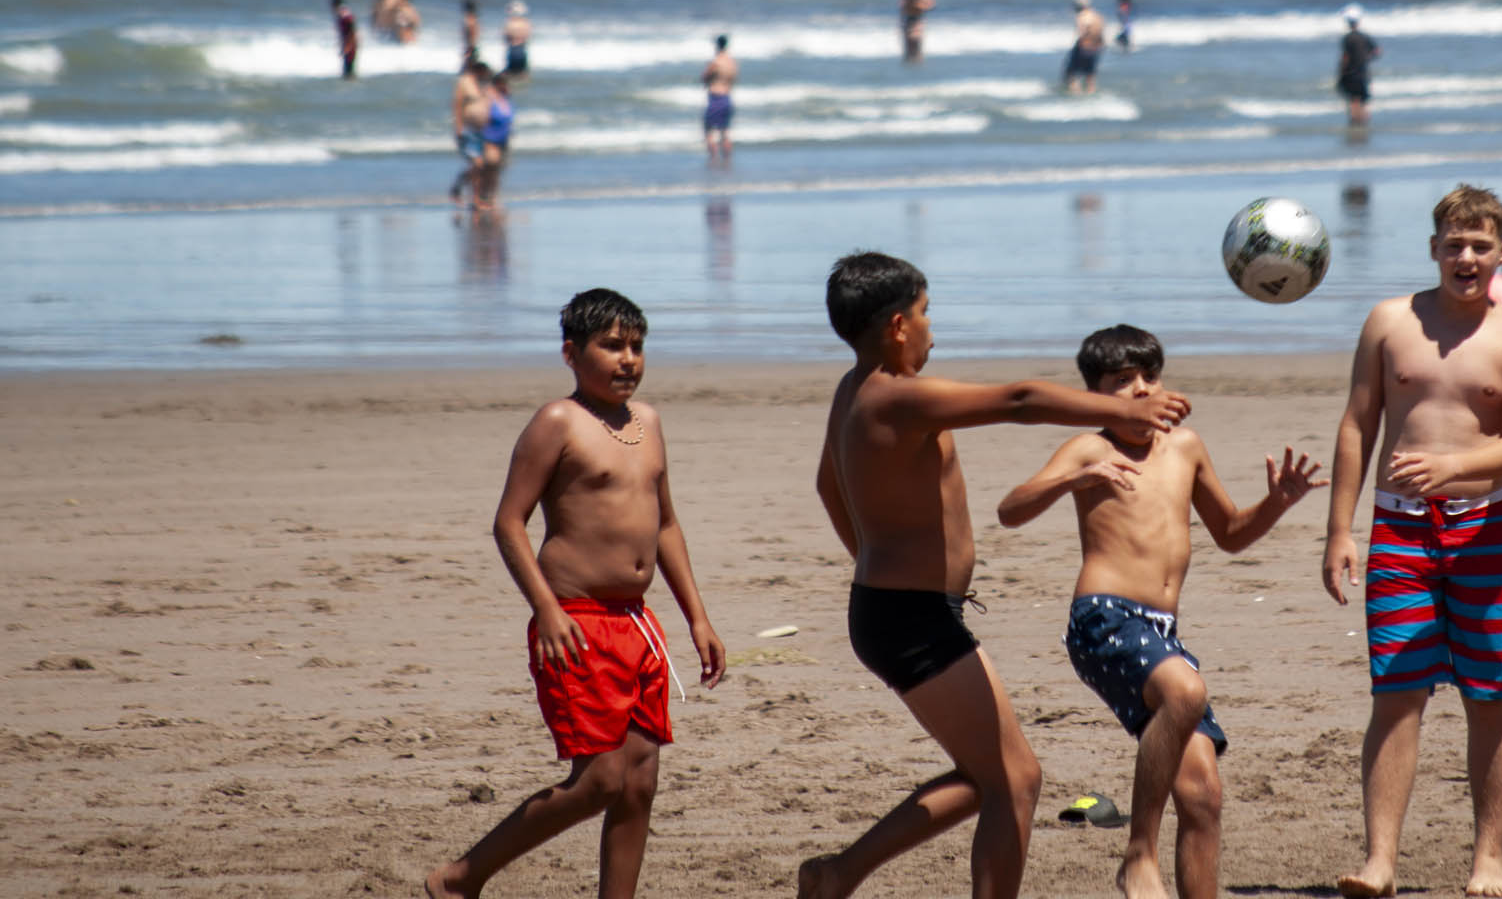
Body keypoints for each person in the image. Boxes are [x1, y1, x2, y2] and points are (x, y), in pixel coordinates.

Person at [801, 253, 1192, 899]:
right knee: (1016, 781)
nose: (933, 330)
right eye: (926, 315)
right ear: (898, 325)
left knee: (993, 776)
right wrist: (1119, 413)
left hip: (895, 607)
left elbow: (826, 484)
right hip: (910, 616)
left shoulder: (854, 389)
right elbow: (1019, 399)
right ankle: (838, 874)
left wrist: (875, 558)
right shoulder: (900, 396)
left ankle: (836, 875)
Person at [997, 325, 1323, 899]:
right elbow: (1010, 509)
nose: (1142, 389)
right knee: (1187, 694)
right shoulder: (1089, 448)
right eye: (1122, 382)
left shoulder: (1187, 447)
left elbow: (1230, 534)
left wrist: (1276, 502)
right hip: (1102, 618)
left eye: (1150, 376)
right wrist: (1076, 477)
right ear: (1094, 394)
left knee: (1203, 794)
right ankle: (1138, 854)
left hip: (1161, 632)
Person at [423, 288, 727, 899]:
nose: (628, 360)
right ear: (571, 353)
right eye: (611, 346)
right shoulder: (557, 422)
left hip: (637, 623)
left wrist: (698, 616)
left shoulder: (650, 423)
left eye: (637, 347)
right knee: (599, 782)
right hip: (578, 623)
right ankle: (462, 877)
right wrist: (546, 609)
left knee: (639, 781)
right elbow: (510, 522)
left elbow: (665, 523)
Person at [1322, 184, 1502, 899]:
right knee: (1397, 692)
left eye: (1480, 245)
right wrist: (1339, 529)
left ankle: (1489, 862)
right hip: (1398, 531)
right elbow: (1358, 424)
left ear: (1501, 254)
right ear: (1433, 248)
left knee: (1491, 694)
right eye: (1454, 243)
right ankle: (1380, 862)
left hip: (1486, 532)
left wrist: (1454, 465)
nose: (1466, 256)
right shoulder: (1391, 321)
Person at [449, 60, 494, 206]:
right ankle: (471, 196)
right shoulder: (465, 82)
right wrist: (458, 127)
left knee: (483, 166)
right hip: (469, 130)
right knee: (477, 164)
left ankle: (474, 195)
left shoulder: (484, 83)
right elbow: (457, 105)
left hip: (484, 130)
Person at [473, 70, 514, 213]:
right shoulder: (489, 98)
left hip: (503, 140)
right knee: (486, 170)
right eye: (504, 84)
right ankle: (479, 198)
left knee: (496, 171)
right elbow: (481, 118)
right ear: (498, 84)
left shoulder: (505, 99)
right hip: (489, 139)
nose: (507, 86)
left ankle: (491, 198)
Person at [1336, 5, 1379, 127]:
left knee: (1353, 100)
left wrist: (1341, 72)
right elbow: (1377, 51)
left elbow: (1345, 57)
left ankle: (1355, 127)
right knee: (1363, 101)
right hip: (1363, 72)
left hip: (1350, 73)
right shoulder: (1365, 37)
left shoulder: (1348, 38)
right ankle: (1363, 127)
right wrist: (1366, 59)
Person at [701, 34, 737, 165]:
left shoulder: (716, 62)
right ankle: (727, 161)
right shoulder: (732, 62)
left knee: (709, 130)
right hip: (727, 97)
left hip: (715, 97)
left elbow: (704, 77)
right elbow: (733, 80)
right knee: (725, 131)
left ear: (717, 45)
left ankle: (713, 159)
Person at [1064, 0, 1105, 94]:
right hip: (1096, 49)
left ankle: (1075, 94)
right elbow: (1102, 35)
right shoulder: (1098, 16)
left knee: (1071, 74)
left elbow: (1081, 32)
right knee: (1090, 75)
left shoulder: (1081, 16)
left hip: (1083, 47)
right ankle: (1090, 94)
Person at [899, 0, 935, 64]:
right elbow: (931, 5)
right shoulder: (917, 4)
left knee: (909, 50)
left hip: (907, 25)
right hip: (915, 25)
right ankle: (915, 62)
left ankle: (911, 63)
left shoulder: (906, 3)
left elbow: (901, 14)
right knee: (916, 49)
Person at [503, 0, 532, 78]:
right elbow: (527, 36)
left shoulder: (509, 23)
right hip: (522, 49)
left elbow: (506, 36)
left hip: (512, 48)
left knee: (511, 75)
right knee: (522, 75)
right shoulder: (525, 23)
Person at [331, 0, 357, 79]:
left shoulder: (346, 16)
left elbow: (352, 32)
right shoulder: (342, 15)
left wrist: (347, 47)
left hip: (350, 45)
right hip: (347, 44)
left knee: (349, 70)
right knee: (347, 69)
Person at [461, 0, 481, 68]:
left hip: (470, 48)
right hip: (472, 47)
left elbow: (472, 35)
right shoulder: (474, 19)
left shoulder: (469, 20)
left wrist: (469, 50)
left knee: (468, 70)